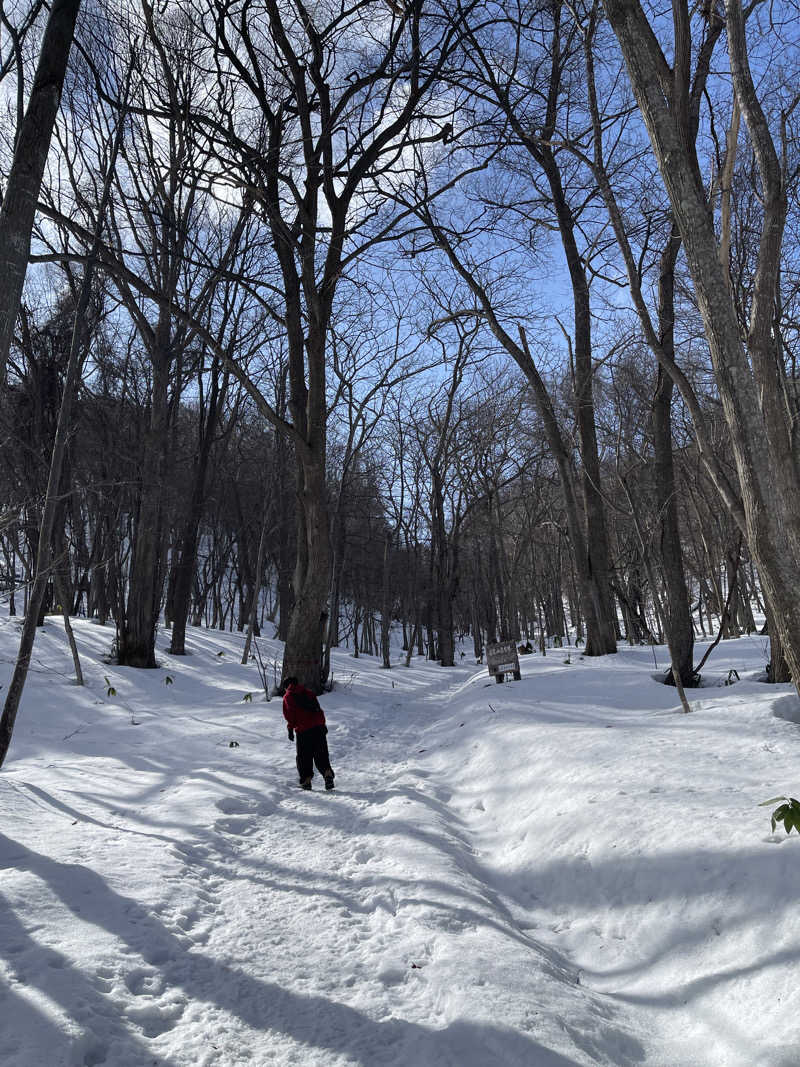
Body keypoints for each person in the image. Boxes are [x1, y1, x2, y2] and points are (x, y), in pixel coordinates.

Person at [282, 676, 335, 791]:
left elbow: (290, 717)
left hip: (303, 730)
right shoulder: (309, 693)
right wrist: (323, 725)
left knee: (303, 757)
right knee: (321, 753)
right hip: (318, 728)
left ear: (286, 686)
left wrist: (290, 729)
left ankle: (306, 781)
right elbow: (318, 710)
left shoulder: (288, 697)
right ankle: (327, 774)